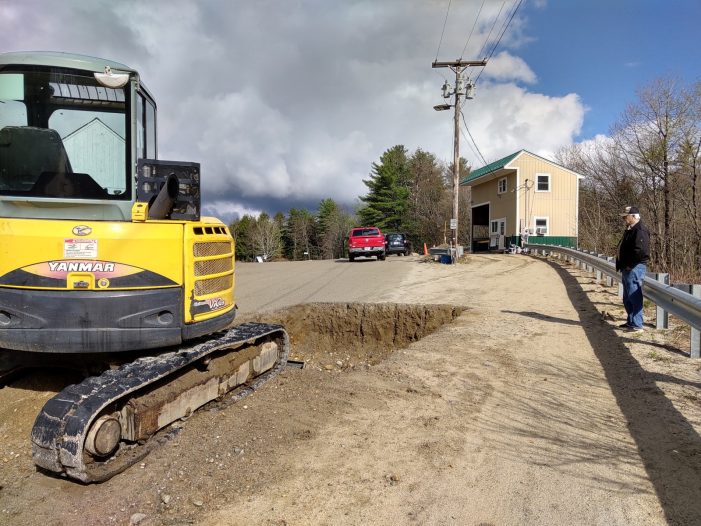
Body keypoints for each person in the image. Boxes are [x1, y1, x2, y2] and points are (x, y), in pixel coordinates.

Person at [615, 205, 650, 332]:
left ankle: (637, 324)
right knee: (628, 296)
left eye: (626, 216)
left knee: (634, 295)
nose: (624, 218)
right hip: (628, 267)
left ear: (634, 216)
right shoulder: (631, 229)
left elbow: (641, 251)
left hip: (634, 268)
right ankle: (631, 321)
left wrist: (630, 264)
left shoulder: (640, 230)